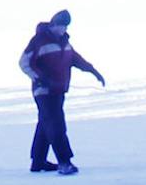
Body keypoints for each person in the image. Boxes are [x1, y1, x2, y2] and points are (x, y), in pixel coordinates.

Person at [18, 10, 105, 175]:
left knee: (46, 123)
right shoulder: (39, 40)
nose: (63, 29)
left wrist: (93, 71)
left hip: (59, 89)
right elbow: (24, 62)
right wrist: (39, 78)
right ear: (53, 24)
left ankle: (38, 162)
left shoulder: (65, 42)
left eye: (65, 26)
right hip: (43, 91)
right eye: (60, 26)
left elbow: (75, 59)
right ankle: (65, 162)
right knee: (56, 124)